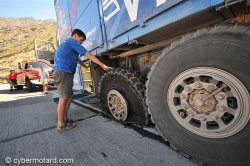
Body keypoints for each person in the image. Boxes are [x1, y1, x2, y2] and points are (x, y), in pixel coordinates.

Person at [53, 29, 112, 131]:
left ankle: (64, 118)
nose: (81, 43)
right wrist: (102, 65)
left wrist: (84, 66)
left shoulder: (67, 44)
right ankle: (61, 124)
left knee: (69, 97)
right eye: (80, 40)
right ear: (75, 35)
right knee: (63, 98)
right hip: (63, 73)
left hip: (64, 72)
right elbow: (88, 54)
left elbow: (76, 58)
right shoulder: (72, 41)